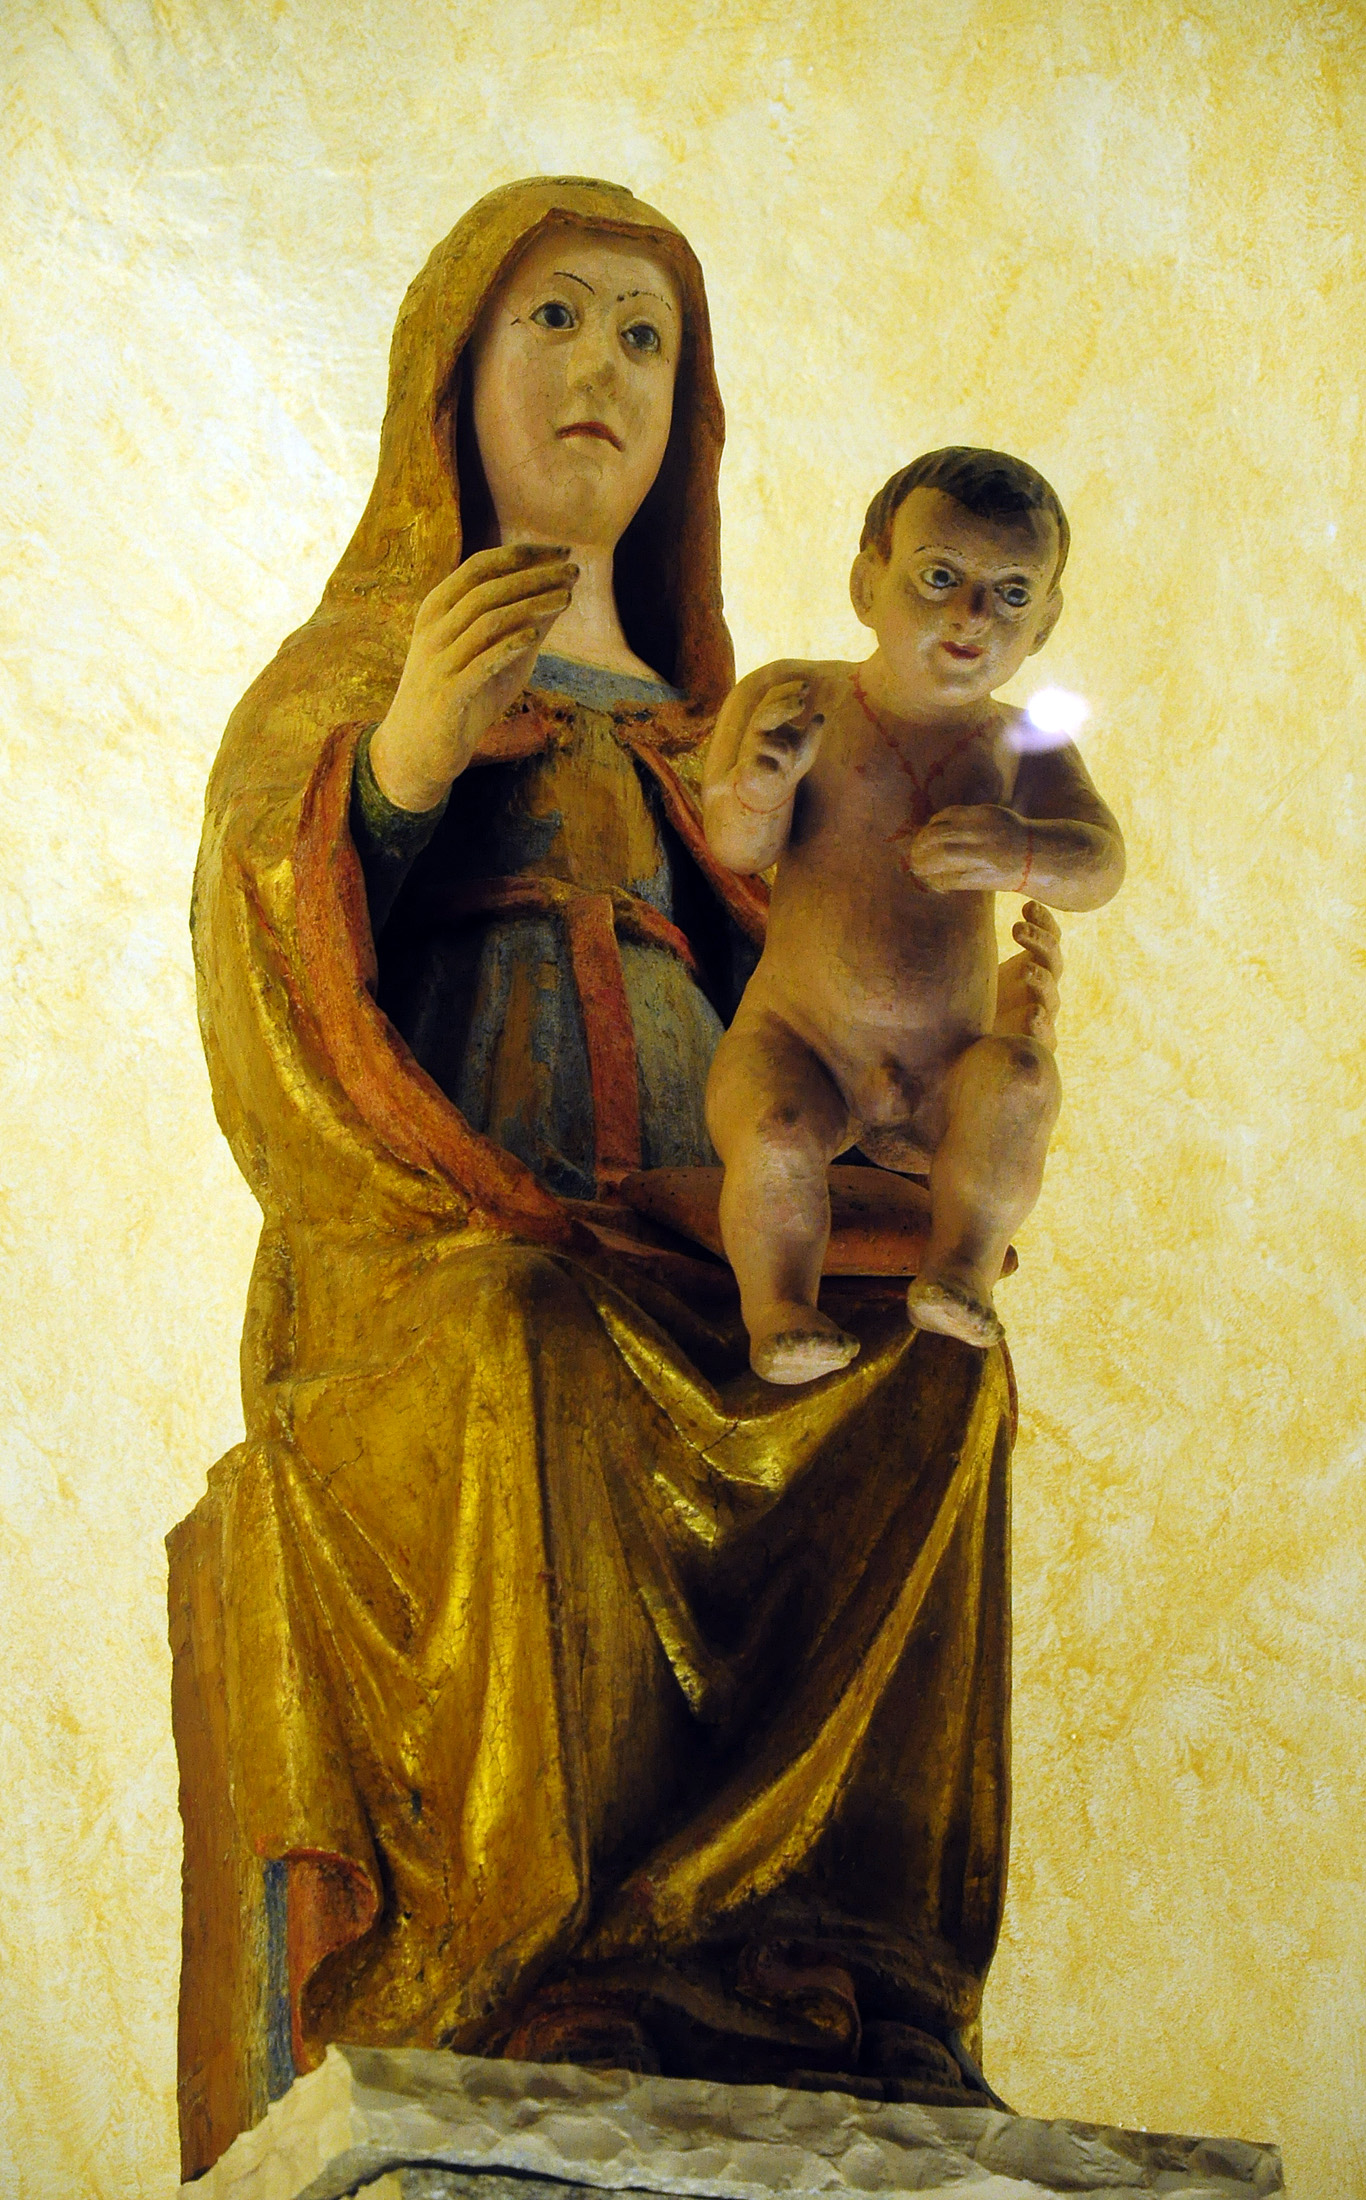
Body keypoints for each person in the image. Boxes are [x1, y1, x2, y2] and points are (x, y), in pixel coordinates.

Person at [170, 182, 1064, 2182]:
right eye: (556, 320)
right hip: (440, 1247)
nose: (602, 371)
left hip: (694, 1228)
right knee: (527, 1334)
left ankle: (845, 1971)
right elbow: (265, 973)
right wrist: (400, 767)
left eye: (646, 337)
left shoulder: (719, 728)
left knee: (932, 1382)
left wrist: (946, 1066)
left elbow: (809, 988)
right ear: (451, 376)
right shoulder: (352, 669)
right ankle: (542, 1957)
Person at [702, 449, 1124, 1382]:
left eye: (1012, 594)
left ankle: (961, 1266)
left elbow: (1100, 863)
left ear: (1046, 621)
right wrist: (760, 785)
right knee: (774, 1131)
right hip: (799, 1038)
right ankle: (779, 1306)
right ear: (868, 582)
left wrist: (1020, 850)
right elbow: (731, 845)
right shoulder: (795, 697)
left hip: (948, 1063)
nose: (974, 615)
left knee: (1020, 1081)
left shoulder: (1021, 742)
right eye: (940, 577)